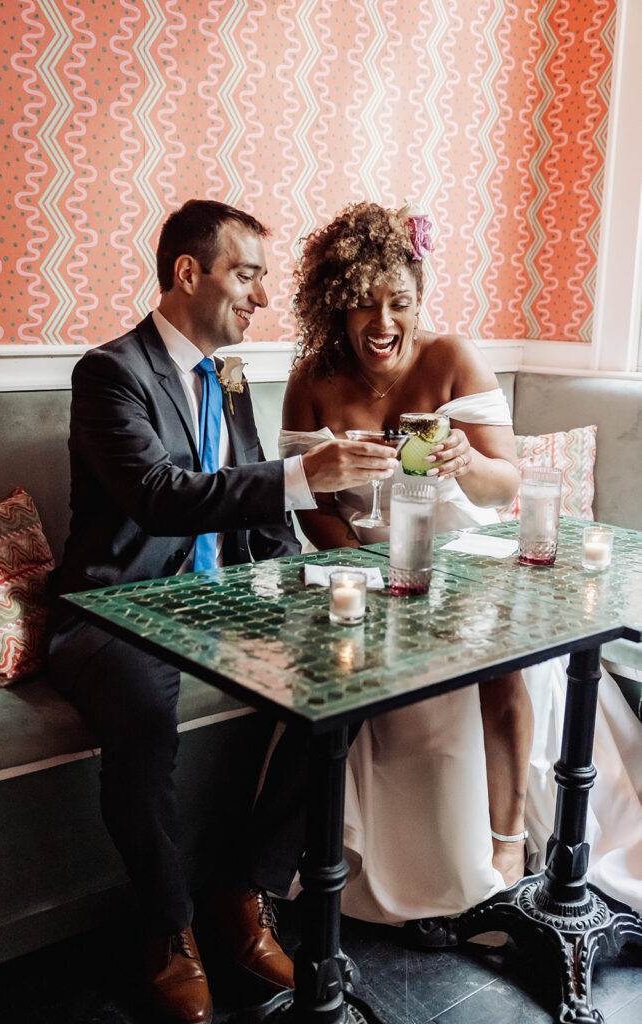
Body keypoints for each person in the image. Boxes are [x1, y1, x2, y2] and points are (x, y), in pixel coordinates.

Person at [47, 199, 399, 1024]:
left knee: (348, 672)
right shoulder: (108, 372)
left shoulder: (230, 374)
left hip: (218, 599)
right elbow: (157, 496)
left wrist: (303, 586)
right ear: (186, 274)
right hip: (115, 605)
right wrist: (306, 473)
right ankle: (169, 929)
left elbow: (254, 510)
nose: (263, 299)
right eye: (247, 277)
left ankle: (243, 892)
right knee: (142, 714)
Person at [279, 200, 642, 926]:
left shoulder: (451, 358)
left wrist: (463, 459)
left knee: (499, 653)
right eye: (362, 306)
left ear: (418, 299)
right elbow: (308, 504)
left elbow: (504, 483)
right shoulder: (311, 379)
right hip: (369, 576)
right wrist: (354, 565)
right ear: (335, 307)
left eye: (398, 303)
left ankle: (505, 847)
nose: (382, 324)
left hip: (468, 561)